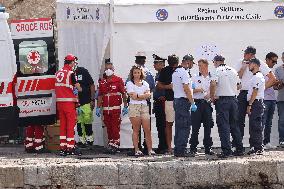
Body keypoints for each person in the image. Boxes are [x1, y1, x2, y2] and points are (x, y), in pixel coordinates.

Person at [236, 46, 276, 144]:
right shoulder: (240, 62)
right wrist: (244, 67)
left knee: (254, 121)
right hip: (242, 93)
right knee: (239, 120)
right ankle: (237, 145)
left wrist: (261, 89)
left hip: (254, 94)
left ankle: (255, 145)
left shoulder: (260, 63)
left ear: (251, 55)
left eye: (246, 53)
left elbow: (272, 78)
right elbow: (237, 77)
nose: (244, 55)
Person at [210, 55, 244, 158]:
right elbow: (239, 86)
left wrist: (212, 96)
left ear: (216, 62)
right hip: (233, 100)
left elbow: (213, 84)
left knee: (223, 126)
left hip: (222, 100)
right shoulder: (233, 70)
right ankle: (239, 149)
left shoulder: (217, 70)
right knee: (234, 125)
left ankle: (226, 151)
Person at [96, 59, 128, 153]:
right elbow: (100, 95)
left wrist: (125, 106)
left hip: (115, 109)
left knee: (115, 127)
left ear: (113, 69)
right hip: (106, 109)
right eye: (106, 68)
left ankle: (116, 145)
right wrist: (98, 107)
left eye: (110, 68)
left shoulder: (118, 80)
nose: (108, 70)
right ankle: (111, 144)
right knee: (108, 127)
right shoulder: (102, 82)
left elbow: (123, 94)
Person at [55, 54, 82, 156]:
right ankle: (70, 147)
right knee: (70, 125)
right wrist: (79, 88)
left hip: (60, 103)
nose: (74, 64)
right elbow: (78, 87)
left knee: (63, 125)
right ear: (71, 63)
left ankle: (63, 148)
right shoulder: (71, 73)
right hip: (69, 103)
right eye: (74, 63)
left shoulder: (58, 73)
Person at [171, 54, 197, 157]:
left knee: (179, 126)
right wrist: (192, 103)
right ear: (188, 62)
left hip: (177, 100)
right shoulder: (184, 72)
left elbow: (174, 86)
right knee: (184, 126)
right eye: (192, 63)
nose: (192, 66)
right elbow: (186, 89)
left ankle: (178, 149)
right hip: (183, 101)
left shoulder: (176, 72)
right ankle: (181, 150)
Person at [126, 65, 155, 156]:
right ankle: (137, 149)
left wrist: (138, 96)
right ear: (132, 74)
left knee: (147, 129)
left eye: (138, 72)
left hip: (144, 106)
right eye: (135, 73)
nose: (137, 74)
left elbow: (148, 95)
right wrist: (142, 96)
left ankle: (150, 149)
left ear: (141, 73)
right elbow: (133, 96)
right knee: (136, 129)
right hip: (134, 106)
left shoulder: (145, 83)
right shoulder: (129, 83)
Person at [189, 59, 214, 156]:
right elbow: (189, 90)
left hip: (207, 104)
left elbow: (216, 89)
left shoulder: (212, 77)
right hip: (197, 103)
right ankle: (193, 148)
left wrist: (211, 95)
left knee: (208, 126)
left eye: (201, 65)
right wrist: (198, 90)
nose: (199, 67)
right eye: (198, 65)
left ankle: (208, 148)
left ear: (206, 65)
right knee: (195, 127)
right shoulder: (194, 77)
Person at [157, 55, 179, 154]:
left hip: (181, 101)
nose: (173, 62)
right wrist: (168, 86)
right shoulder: (165, 70)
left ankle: (179, 147)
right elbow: (159, 86)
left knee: (180, 124)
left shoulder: (181, 70)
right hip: (169, 100)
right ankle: (170, 148)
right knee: (169, 124)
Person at [134, 52, 155, 154]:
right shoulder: (149, 72)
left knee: (136, 128)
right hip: (146, 102)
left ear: (136, 60)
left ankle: (137, 148)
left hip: (134, 103)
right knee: (147, 127)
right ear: (144, 60)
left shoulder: (133, 71)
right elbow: (152, 88)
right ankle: (147, 148)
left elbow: (128, 87)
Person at [246, 58, 265, 155]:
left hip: (256, 103)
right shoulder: (255, 76)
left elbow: (255, 91)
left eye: (250, 63)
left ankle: (258, 148)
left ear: (256, 65)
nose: (249, 65)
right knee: (253, 126)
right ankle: (254, 147)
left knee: (256, 126)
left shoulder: (257, 76)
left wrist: (249, 104)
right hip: (255, 103)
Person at [74, 62, 96, 147]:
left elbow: (92, 85)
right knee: (79, 122)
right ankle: (81, 141)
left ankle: (89, 139)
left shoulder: (83, 71)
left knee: (87, 119)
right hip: (76, 103)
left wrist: (92, 99)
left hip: (86, 101)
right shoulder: (69, 73)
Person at [262, 52, 278, 149]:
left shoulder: (271, 72)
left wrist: (277, 85)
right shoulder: (261, 71)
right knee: (262, 122)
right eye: (273, 61)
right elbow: (261, 87)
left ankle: (266, 141)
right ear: (267, 60)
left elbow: (273, 87)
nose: (274, 63)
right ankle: (259, 143)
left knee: (269, 122)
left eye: (276, 62)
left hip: (272, 99)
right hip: (264, 99)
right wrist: (272, 83)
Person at [152, 54, 167, 154]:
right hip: (157, 102)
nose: (154, 65)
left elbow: (168, 86)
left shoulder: (164, 74)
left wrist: (165, 96)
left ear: (161, 64)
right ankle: (161, 145)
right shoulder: (158, 74)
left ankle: (164, 146)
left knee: (163, 125)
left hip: (163, 102)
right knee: (159, 125)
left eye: (156, 63)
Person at [274, 52, 284, 148]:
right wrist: (280, 83)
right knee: (282, 121)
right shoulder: (278, 70)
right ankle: (282, 140)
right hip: (281, 99)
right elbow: (275, 87)